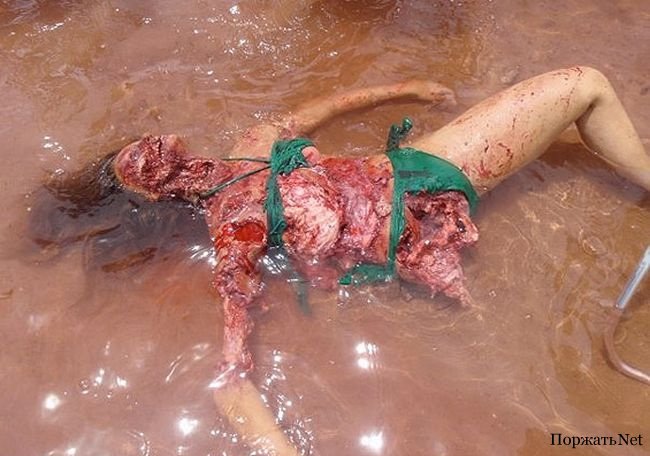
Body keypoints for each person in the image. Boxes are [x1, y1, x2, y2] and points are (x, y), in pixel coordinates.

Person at [37, 67, 650, 455]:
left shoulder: (248, 150)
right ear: (154, 198)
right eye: (145, 159)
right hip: (423, 203)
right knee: (586, 85)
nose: (161, 140)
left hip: (419, 165)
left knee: (585, 86)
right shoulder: (236, 231)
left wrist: (406, 88)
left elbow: (309, 113)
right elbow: (232, 383)